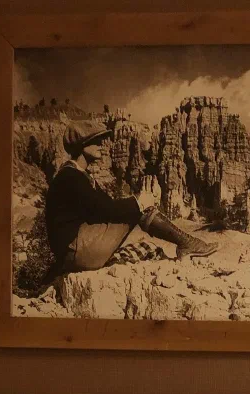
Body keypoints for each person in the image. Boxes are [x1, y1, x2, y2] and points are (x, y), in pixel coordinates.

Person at [44, 119, 216, 278]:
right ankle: (187, 243)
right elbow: (106, 209)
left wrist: (134, 204)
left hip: (73, 252)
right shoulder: (71, 176)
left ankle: (187, 243)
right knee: (139, 209)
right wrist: (139, 203)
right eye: (95, 141)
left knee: (134, 208)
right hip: (77, 252)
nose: (101, 145)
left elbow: (103, 207)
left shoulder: (75, 174)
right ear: (81, 146)